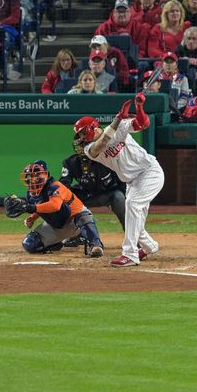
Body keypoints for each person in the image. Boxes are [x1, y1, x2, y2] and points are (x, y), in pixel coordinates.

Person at [74, 95, 163, 266]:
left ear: (92, 128)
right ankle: (149, 246)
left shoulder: (120, 126)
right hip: (133, 182)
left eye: (82, 133)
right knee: (135, 218)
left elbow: (142, 124)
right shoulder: (88, 149)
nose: (80, 138)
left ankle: (130, 253)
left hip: (149, 172)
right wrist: (117, 119)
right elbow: (101, 145)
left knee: (132, 205)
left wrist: (139, 108)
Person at [8, 160, 105, 258]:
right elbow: (41, 206)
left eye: (37, 174)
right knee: (30, 244)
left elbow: (55, 206)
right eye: (31, 175)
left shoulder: (55, 186)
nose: (34, 178)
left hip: (74, 220)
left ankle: (95, 245)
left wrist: (31, 207)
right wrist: (33, 217)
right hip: (56, 225)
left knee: (84, 217)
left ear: (46, 175)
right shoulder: (30, 193)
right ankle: (58, 242)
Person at [60, 142, 126, 229]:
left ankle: (133, 237)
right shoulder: (70, 162)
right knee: (64, 200)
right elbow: (64, 184)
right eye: (80, 146)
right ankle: (74, 235)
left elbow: (122, 181)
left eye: (84, 146)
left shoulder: (108, 159)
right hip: (85, 195)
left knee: (119, 197)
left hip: (107, 194)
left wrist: (128, 199)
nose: (82, 149)